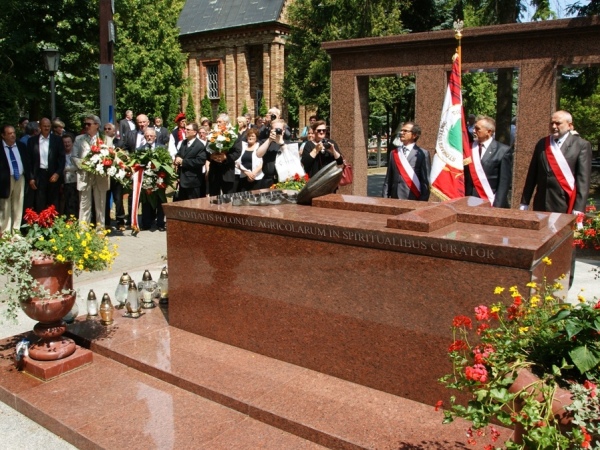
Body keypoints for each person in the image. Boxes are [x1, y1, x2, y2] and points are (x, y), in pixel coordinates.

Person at [520, 110, 592, 214]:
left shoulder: (581, 145)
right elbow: (532, 175)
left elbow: (583, 180)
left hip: (565, 203)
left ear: (569, 125)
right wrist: (524, 202)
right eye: (552, 123)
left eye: (558, 123)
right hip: (541, 203)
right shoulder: (542, 143)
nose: (554, 126)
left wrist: (579, 208)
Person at [464, 116, 512, 208]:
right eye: (474, 128)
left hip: (489, 201)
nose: (473, 131)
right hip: (467, 201)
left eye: (477, 129)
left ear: (488, 132)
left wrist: (497, 207)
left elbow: (504, 183)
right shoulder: (468, 148)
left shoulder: (502, 151)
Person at [71, 115, 110, 229]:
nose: (86, 126)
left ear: (97, 125)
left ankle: (100, 229)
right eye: (85, 124)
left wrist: (101, 164)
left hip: (100, 176)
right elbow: (73, 157)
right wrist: (84, 164)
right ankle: (83, 229)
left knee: (100, 203)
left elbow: (111, 156)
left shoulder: (106, 139)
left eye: (89, 124)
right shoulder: (79, 139)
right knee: (84, 203)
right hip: (84, 175)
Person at [382, 122, 430, 201]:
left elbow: (425, 181)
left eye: (405, 131)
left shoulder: (422, 154)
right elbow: (388, 179)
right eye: (401, 130)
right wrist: (384, 199)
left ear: (414, 135)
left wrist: (422, 203)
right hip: (394, 197)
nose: (401, 133)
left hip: (413, 197)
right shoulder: (394, 153)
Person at [26, 117, 65, 212]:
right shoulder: (32, 141)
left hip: (53, 174)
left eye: (48, 126)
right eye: (44, 126)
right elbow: (29, 161)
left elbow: (62, 158)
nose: (47, 128)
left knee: (54, 202)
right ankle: (41, 220)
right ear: (40, 126)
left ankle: (54, 220)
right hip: (39, 174)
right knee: (40, 201)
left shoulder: (57, 140)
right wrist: (31, 178)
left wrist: (57, 173)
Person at [137, 127, 166, 231]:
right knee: (146, 202)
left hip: (159, 178)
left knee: (160, 201)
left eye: (151, 136)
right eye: (147, 136)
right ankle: (146, 223)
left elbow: (166, 162)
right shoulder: (140, 149)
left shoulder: (162, 148)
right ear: (145, 137)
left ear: (155, 137)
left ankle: (160, 223)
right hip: (146, 179)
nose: (149, 137)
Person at [1, 125, 28, 233]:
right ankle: (5, 232)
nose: (13, 135)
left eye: (14, 133)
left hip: (20, 178)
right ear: (3, 135)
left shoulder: (21, 146)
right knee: (5, 205)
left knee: (18, 204)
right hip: (5, 179)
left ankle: (16, 231)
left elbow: (27, 162)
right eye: (9, 133)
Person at [207, 114, 242, 195]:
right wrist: (211, 156)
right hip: (214, 172)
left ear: (226, 123)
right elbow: (206, 149)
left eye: (219, 122)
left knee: (228, 197)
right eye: (217, 122)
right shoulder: (212, 134)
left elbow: (237, 152)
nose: (217, 124)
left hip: (227, 171)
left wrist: (226, 157)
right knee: (214, 197)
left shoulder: (234, 134)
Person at [174, 122, 208, 200]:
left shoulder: (199, 146)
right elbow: (179, 154)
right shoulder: (184, 143)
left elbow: (200, 161)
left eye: (188, 129)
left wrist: (183, 162)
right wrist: (177, 158)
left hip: (192, 182)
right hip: (182, 180)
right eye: (185, 129)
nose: (185, 131)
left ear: (194, 132)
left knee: (193, 204)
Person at [103, 123, 126, 230]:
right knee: (105, 200)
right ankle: (106, 222)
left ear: (114, 131)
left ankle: (120, 221)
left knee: (118, 199)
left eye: (109, 129)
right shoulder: (101, 143)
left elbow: (124, 158)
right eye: (105, 129)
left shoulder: (120, 143)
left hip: (116, 176)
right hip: (104, 176)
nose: (107, 130)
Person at [255, 118, 291, 188]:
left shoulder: (288, 143)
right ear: (271, 130)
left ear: (283, 130)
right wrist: (269, 140)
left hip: (285, 180)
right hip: (268, 180)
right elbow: (258, 154)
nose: (277, 131)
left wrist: (282, 143)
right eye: (275, 129)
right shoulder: (265, 142)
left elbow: (291, 160)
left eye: (279, 129)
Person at [60, 133, 79, 218]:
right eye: (65, 142)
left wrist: (65, 169)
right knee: (67, 203)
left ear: (72, 143)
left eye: (68, 142)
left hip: (76, 181)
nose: (67, 144)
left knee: (75, 203)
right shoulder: (61, 155)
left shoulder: (76, 154)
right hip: (65, 182)